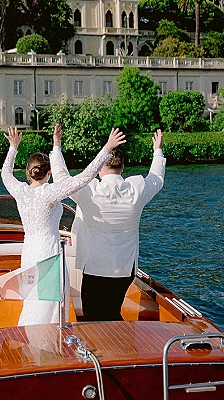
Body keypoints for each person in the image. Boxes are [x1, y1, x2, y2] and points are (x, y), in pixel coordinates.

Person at [2, 124, 126, 324]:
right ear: (49, 173)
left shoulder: (20, 191)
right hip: (49, 254)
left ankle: (33, 338)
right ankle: (47, 342)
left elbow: (5, 174)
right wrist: (106, 149)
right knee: (50, 303)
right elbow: (85, 177)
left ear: (28, 172)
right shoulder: (49, 193)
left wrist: (13, 148)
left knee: (33, 301)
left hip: (29, 252)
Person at [51, 128, 165, 321]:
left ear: (99, 168)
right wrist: (157, 150)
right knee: (113, 313)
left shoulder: (89, 191)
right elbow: (157, 178)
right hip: (124, 269)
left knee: (93, 317)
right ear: (122, 167)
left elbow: (61, 179)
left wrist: (57, 146)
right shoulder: (137, 189)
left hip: (95, 268)